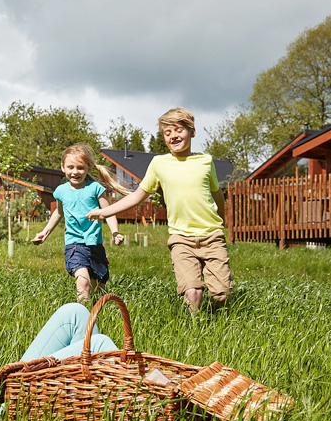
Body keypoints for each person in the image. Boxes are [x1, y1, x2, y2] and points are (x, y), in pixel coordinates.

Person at [87, 108, 232, 312]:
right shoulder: (159, 164)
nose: (173, 136)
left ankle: (216, 321)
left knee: (221, 295)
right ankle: (193, 327)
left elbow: (216, 195)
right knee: (193, 293)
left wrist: (221, 223)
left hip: (212, 236)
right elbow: (137, 196)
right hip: (182, 238)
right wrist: (105, 212)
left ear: (192, 132)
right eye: (167, 132)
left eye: (179, 130)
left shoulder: (205, 162)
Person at [32, 144, 128, 301]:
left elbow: (108, 212)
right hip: (74, 245)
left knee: (99, 289)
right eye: (70, 167)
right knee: (83, 282)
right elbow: (59, 212)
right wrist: (45, 232)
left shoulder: (95, 188)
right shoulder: (61, 191)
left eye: (80, 168)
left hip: (95, 246)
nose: (75, 172)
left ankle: (99, 314)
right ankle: (82, 314)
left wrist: (115, 232)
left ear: (88, 168)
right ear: (63, 167)